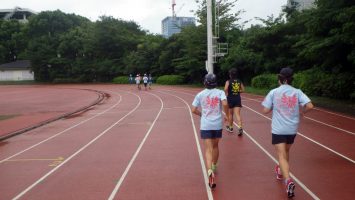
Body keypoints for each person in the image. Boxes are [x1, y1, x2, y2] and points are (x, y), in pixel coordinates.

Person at [261, 67, 314, 198]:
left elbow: (265, 110)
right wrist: (302, 112)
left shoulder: (274, 92)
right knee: (286, 152)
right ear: (291, 80)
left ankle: (288, 180)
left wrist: (273, 106)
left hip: (279, 129)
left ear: (280, 79)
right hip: (292, 128)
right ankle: (280, 171)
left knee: (281, 155)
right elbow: (310, 105)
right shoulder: (297, 92)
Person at [191, 73, 229, 189]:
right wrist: (226, 114)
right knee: (216, 146)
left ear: (205, 82)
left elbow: (193, 110)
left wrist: (202, 114)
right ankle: (213, 166)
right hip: (217, 124)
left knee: (208, 149)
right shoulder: (220, 92)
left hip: (206, 125)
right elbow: (225, 104)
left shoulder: (200, 94)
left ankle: (209, 172)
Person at [224, 68, 245, 136]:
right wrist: (237, 91)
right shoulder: (239, 81)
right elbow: (243, 90)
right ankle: (240, 127)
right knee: (237, 114)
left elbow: (225, 89)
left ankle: (231, 128)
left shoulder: (228, 81)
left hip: (230, 98)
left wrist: (227, 93)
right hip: (237, 98)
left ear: (230, 75)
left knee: (230, 114)